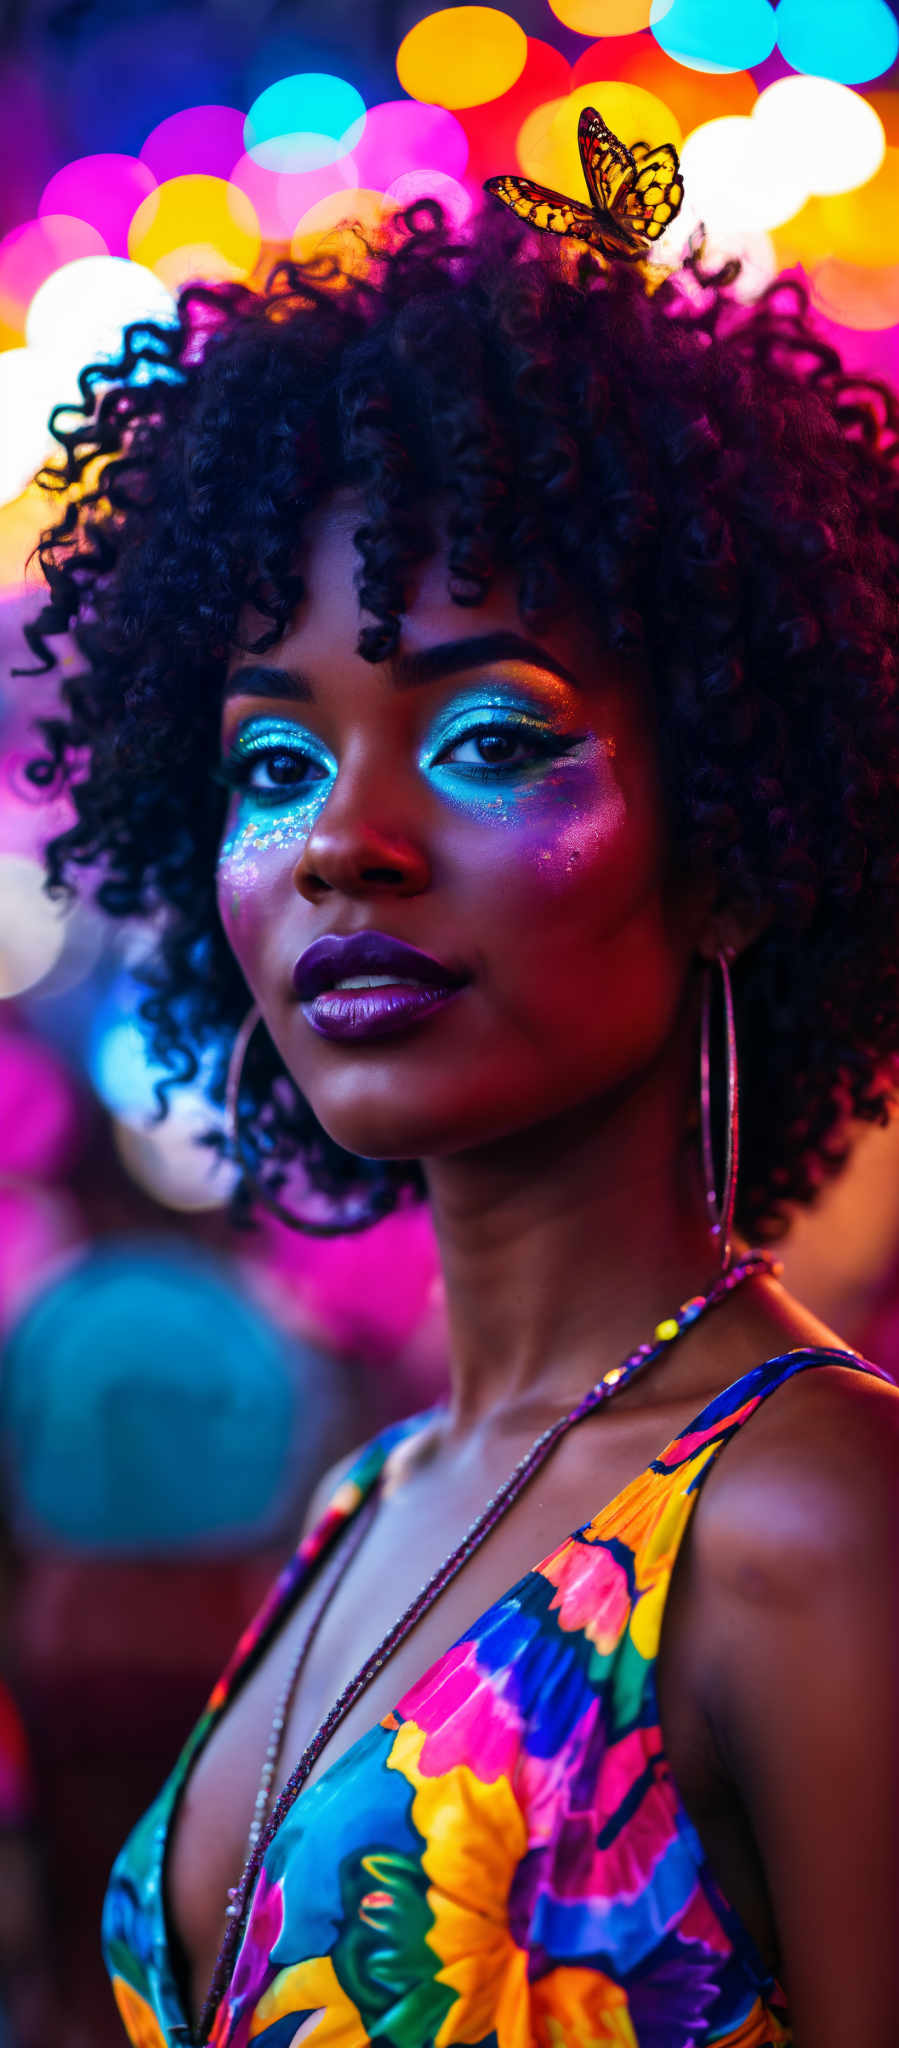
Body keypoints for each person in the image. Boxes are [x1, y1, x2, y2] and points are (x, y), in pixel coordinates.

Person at [21, 192, 899, 2047]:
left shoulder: (815, 1518)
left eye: (491, 734)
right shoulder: (372, 1496)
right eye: (273, 760)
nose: (344, 839)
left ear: (737, 842)